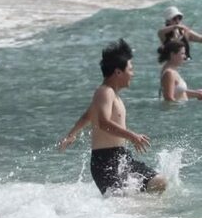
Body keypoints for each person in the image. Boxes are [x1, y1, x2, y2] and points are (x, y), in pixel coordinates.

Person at [58, 39, 166, 195]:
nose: (133, 74)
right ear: (118, 72)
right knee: (123, 204)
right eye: (131, 69)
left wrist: (71, 135)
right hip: (105, 162)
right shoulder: (105, 92)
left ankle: (147, 217)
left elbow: (88, 115)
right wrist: (132, 136)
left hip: (122, 157)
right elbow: (103, 123)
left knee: (159, 182)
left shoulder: (112, 94)